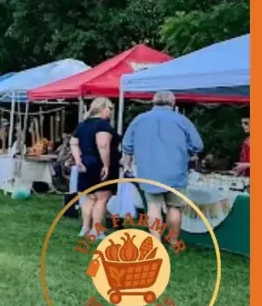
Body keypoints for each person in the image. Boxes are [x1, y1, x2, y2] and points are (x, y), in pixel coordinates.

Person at [121, 90, 204, 247]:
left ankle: (156, 242)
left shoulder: (139, 119)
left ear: (153, 102)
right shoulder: (182, 120)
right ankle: (174, 241)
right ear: (173, 103)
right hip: (176, 171)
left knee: (153, 206)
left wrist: (127, 165)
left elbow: (127, 146)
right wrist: (186, 152)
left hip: (148, 170)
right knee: (175, 207)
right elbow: (197, 145)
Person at [70, 97, 118, 240]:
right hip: (99, 163)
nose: (110, 112)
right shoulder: (103, 125)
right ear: (103, 108)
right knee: (101, 199)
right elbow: (103, 145)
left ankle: (85, 228)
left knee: (90, 197)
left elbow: (73, 143)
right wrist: (106, 165)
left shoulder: (82, 125)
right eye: (109, 109)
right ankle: (96, 231)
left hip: (86, 163)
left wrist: (78, 160)